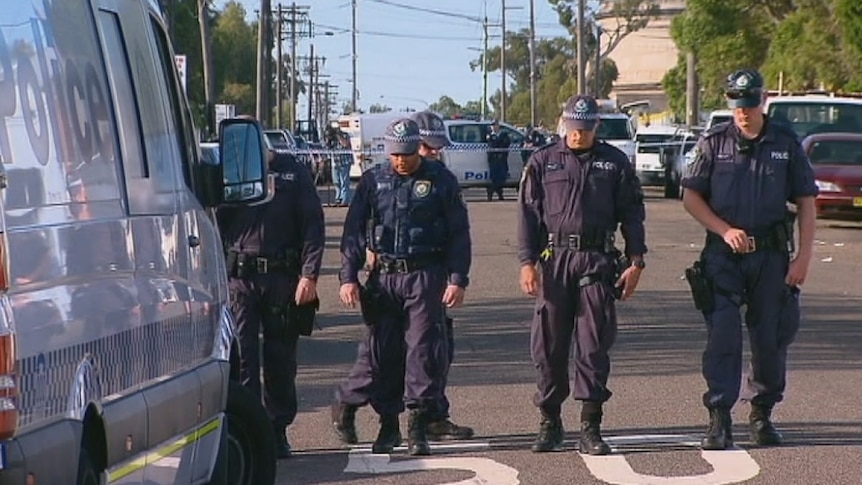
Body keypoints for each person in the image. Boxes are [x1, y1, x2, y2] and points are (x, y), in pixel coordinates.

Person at [680, 69, 817, 451]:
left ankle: (762, 413)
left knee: (770, 338)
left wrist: (804, 257)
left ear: (763, 100)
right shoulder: (714, 143)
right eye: (736, 104)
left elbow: (806, 202)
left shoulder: (785, 143)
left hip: (771, 257)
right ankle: (720, 417)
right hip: (724, 256)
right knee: (723, 334)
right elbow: (691, 196)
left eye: (750, 103)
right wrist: (723, 229)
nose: (743, 112)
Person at [330, 111, 475, 447]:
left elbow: (459, 234)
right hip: (384, 280)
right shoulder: (373, 180)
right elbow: (353, 232)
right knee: (382, 354)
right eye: (394, 154)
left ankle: (418, 426)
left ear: (416, 149)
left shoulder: (440, 180)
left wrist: (458, 278)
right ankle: (387, 423)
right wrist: (347, 276)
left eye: (406, 154)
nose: (400, 161)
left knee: (423, 351)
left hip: (425, 276)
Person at [517, 94, 647, 455]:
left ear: (596, 126)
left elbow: (633, 213)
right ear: (563, 123)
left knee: (593, 346)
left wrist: (636, 260)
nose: (578, 135)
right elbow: (528, 216)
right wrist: (527, 262)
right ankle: (550, 421)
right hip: (555, 260)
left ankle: (590, 425)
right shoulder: (543, 161)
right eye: (573, 128)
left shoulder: (615, 162)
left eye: (585, 129)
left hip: (596, 260)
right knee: (549, 346)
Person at [217, 138, 325, 458]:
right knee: (243, 358)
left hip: (282, 277)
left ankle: (277, 429)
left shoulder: (292, 173)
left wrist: (309, 274)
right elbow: (214, 224)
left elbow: (313, 226)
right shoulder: (230, 174)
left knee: (280, 358)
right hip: (239, 279)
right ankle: (249, 429)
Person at [486, 120, 510, 201]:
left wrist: (498, 142)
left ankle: (499, 193)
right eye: (492, 125)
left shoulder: (504, 135)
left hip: (502, 159)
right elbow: (491, 144)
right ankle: (491, 193)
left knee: (502, 177)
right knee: (494, 177)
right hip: (493, 159)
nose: (493, 127)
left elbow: (506, 143)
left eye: (495, 125)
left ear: (498, 126)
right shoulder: (489, 135)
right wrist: (498, 142)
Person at [331, 131, 354, 206]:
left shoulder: (345, 135)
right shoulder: (332, 139)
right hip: (335, 162)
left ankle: (344, 200)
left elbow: (345, 144)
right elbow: (327, 148)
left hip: (345, 162)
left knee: (344, 182)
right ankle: (338, 199)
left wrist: (339, 137)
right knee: (336, 182)